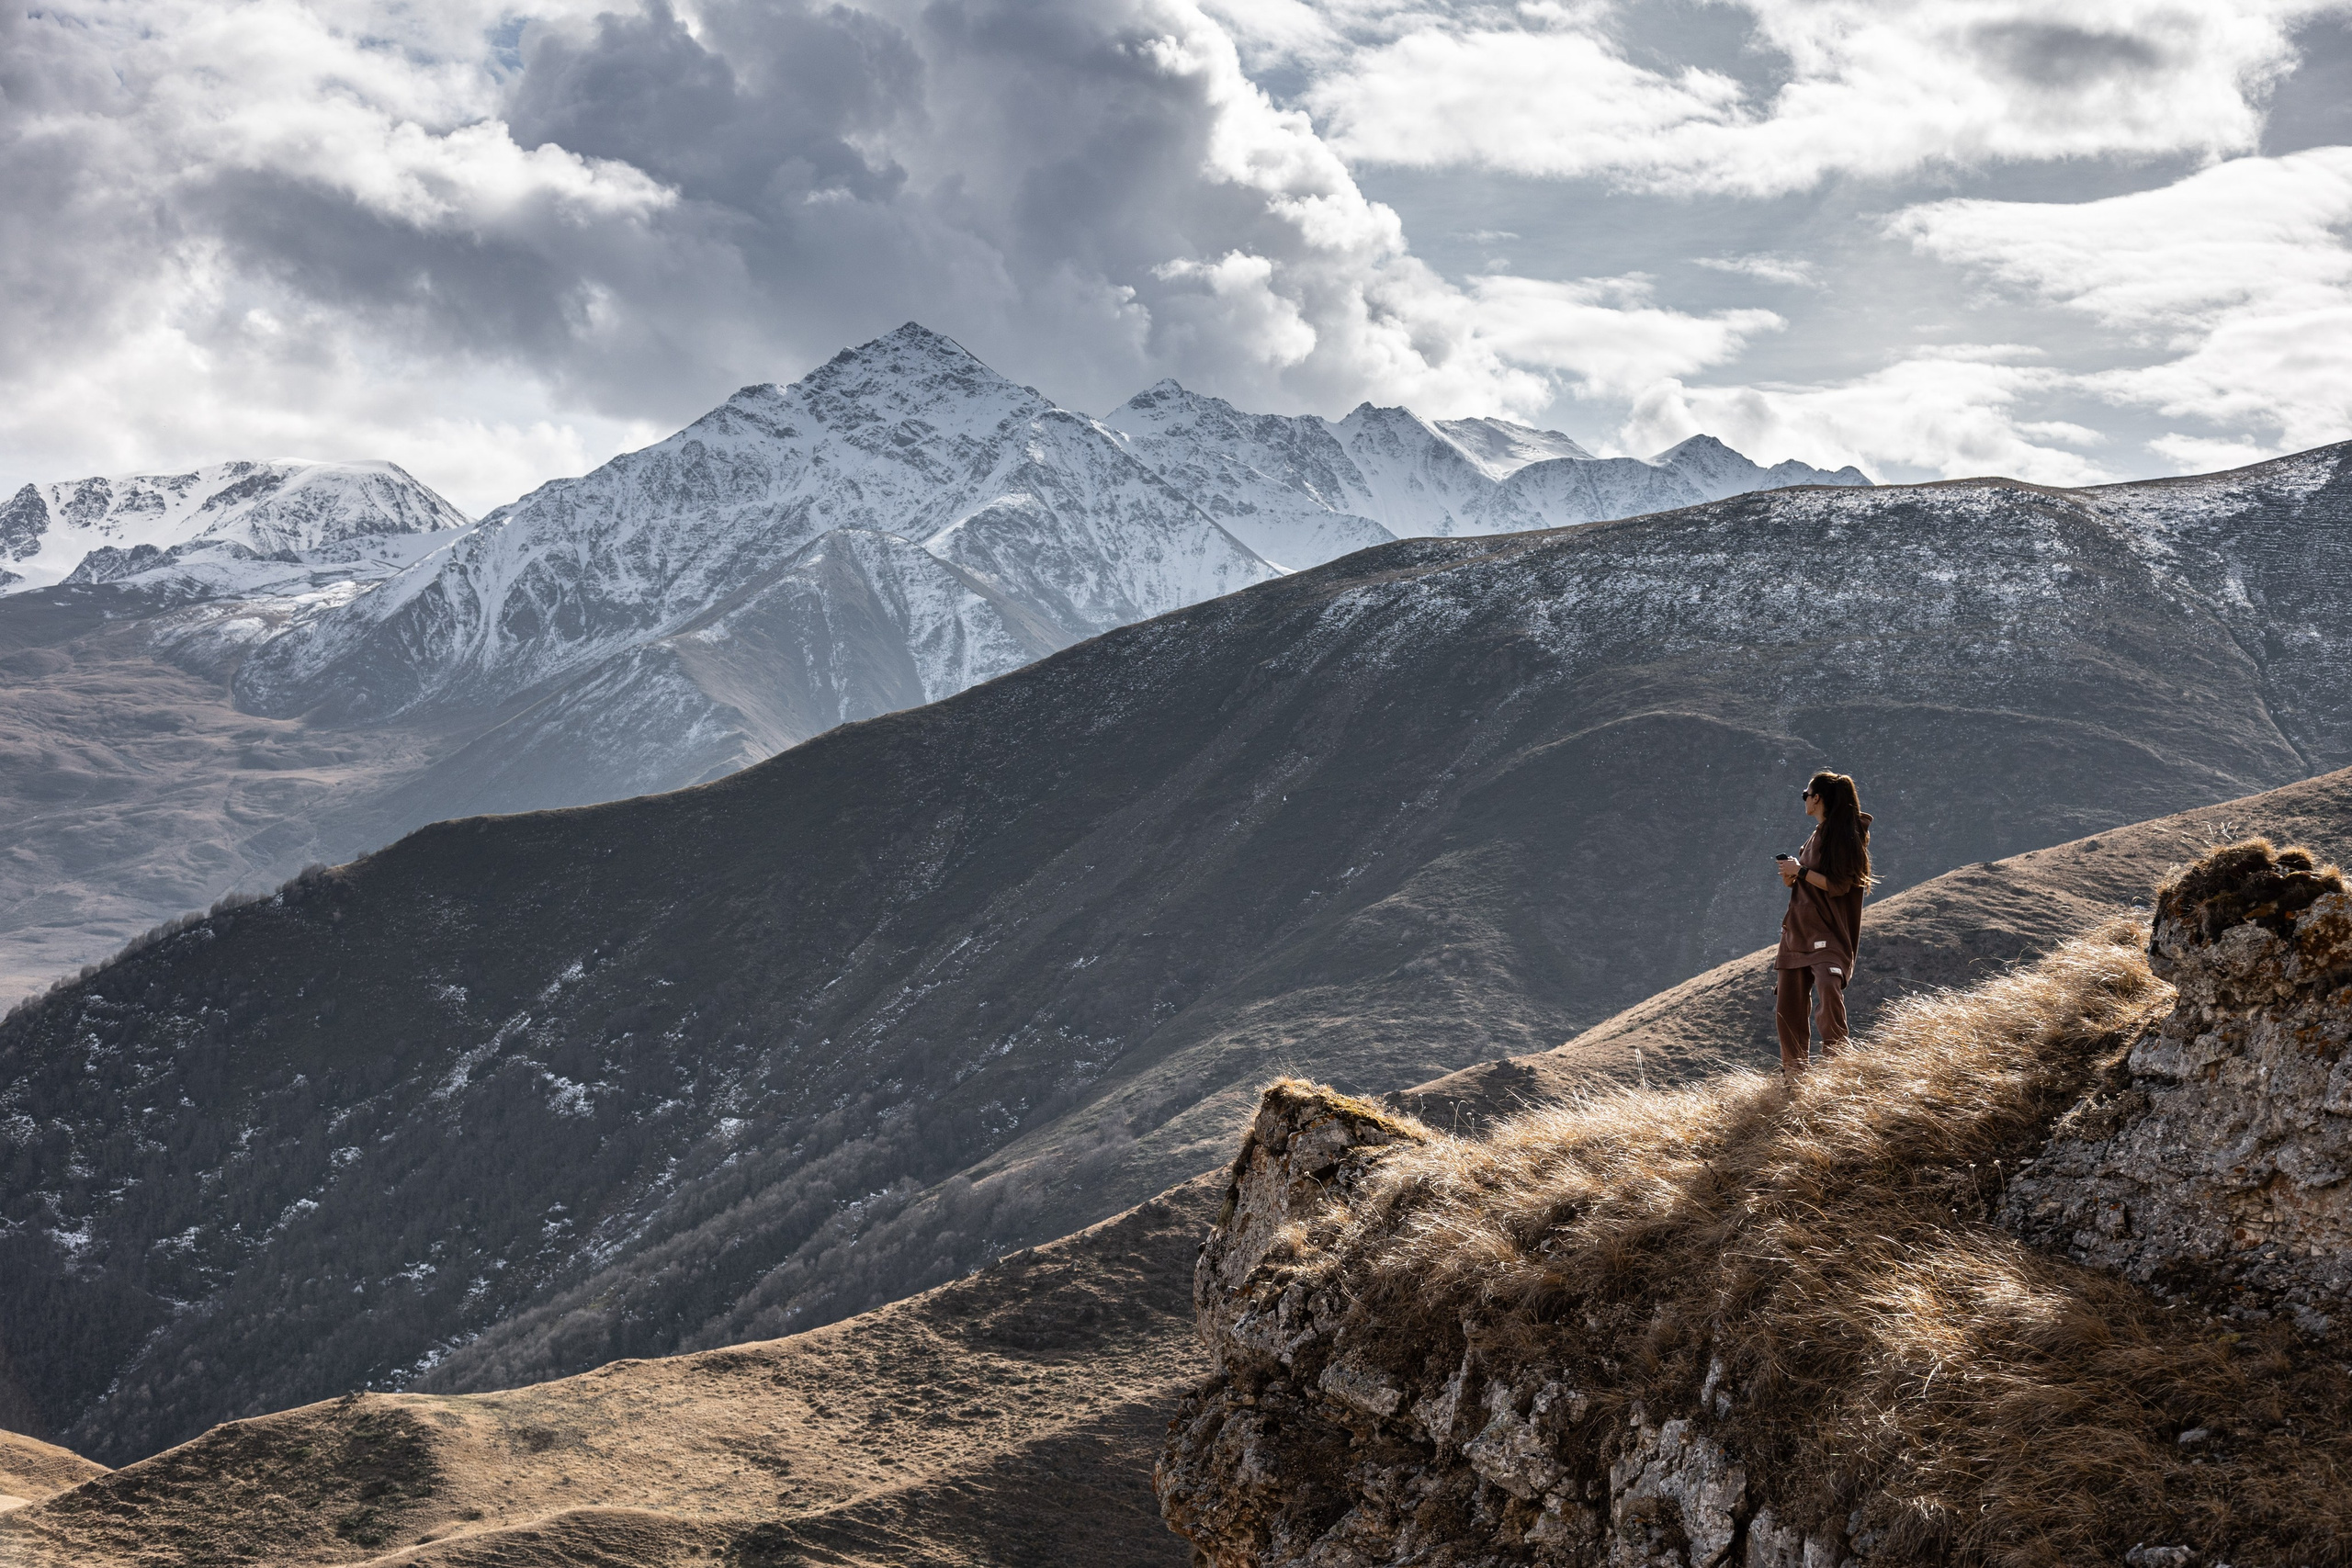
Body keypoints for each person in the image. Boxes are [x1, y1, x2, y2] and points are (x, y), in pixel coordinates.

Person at [1774, 771, 1872, 1076]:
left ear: (1817, 799)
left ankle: (1838, 1063)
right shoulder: (1815, 837)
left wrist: (1800, 871)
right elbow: (1809, 885)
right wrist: (1792, 875)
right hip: (1797, 932)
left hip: (1828, 934)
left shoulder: (1845, 834)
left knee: (1829, 987)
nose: (1804, 799)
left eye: (1806, 794)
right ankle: (1794, 1075)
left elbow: (1839, 885)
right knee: (1788, 1006)